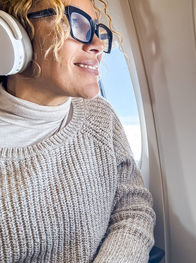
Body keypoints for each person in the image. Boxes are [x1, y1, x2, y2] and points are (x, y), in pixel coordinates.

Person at [0, 0, 156, 262]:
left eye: (97, 28)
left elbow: (133, 208)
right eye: (77, 22)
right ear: (15, 32)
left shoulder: (99, 116)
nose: (98, 44)